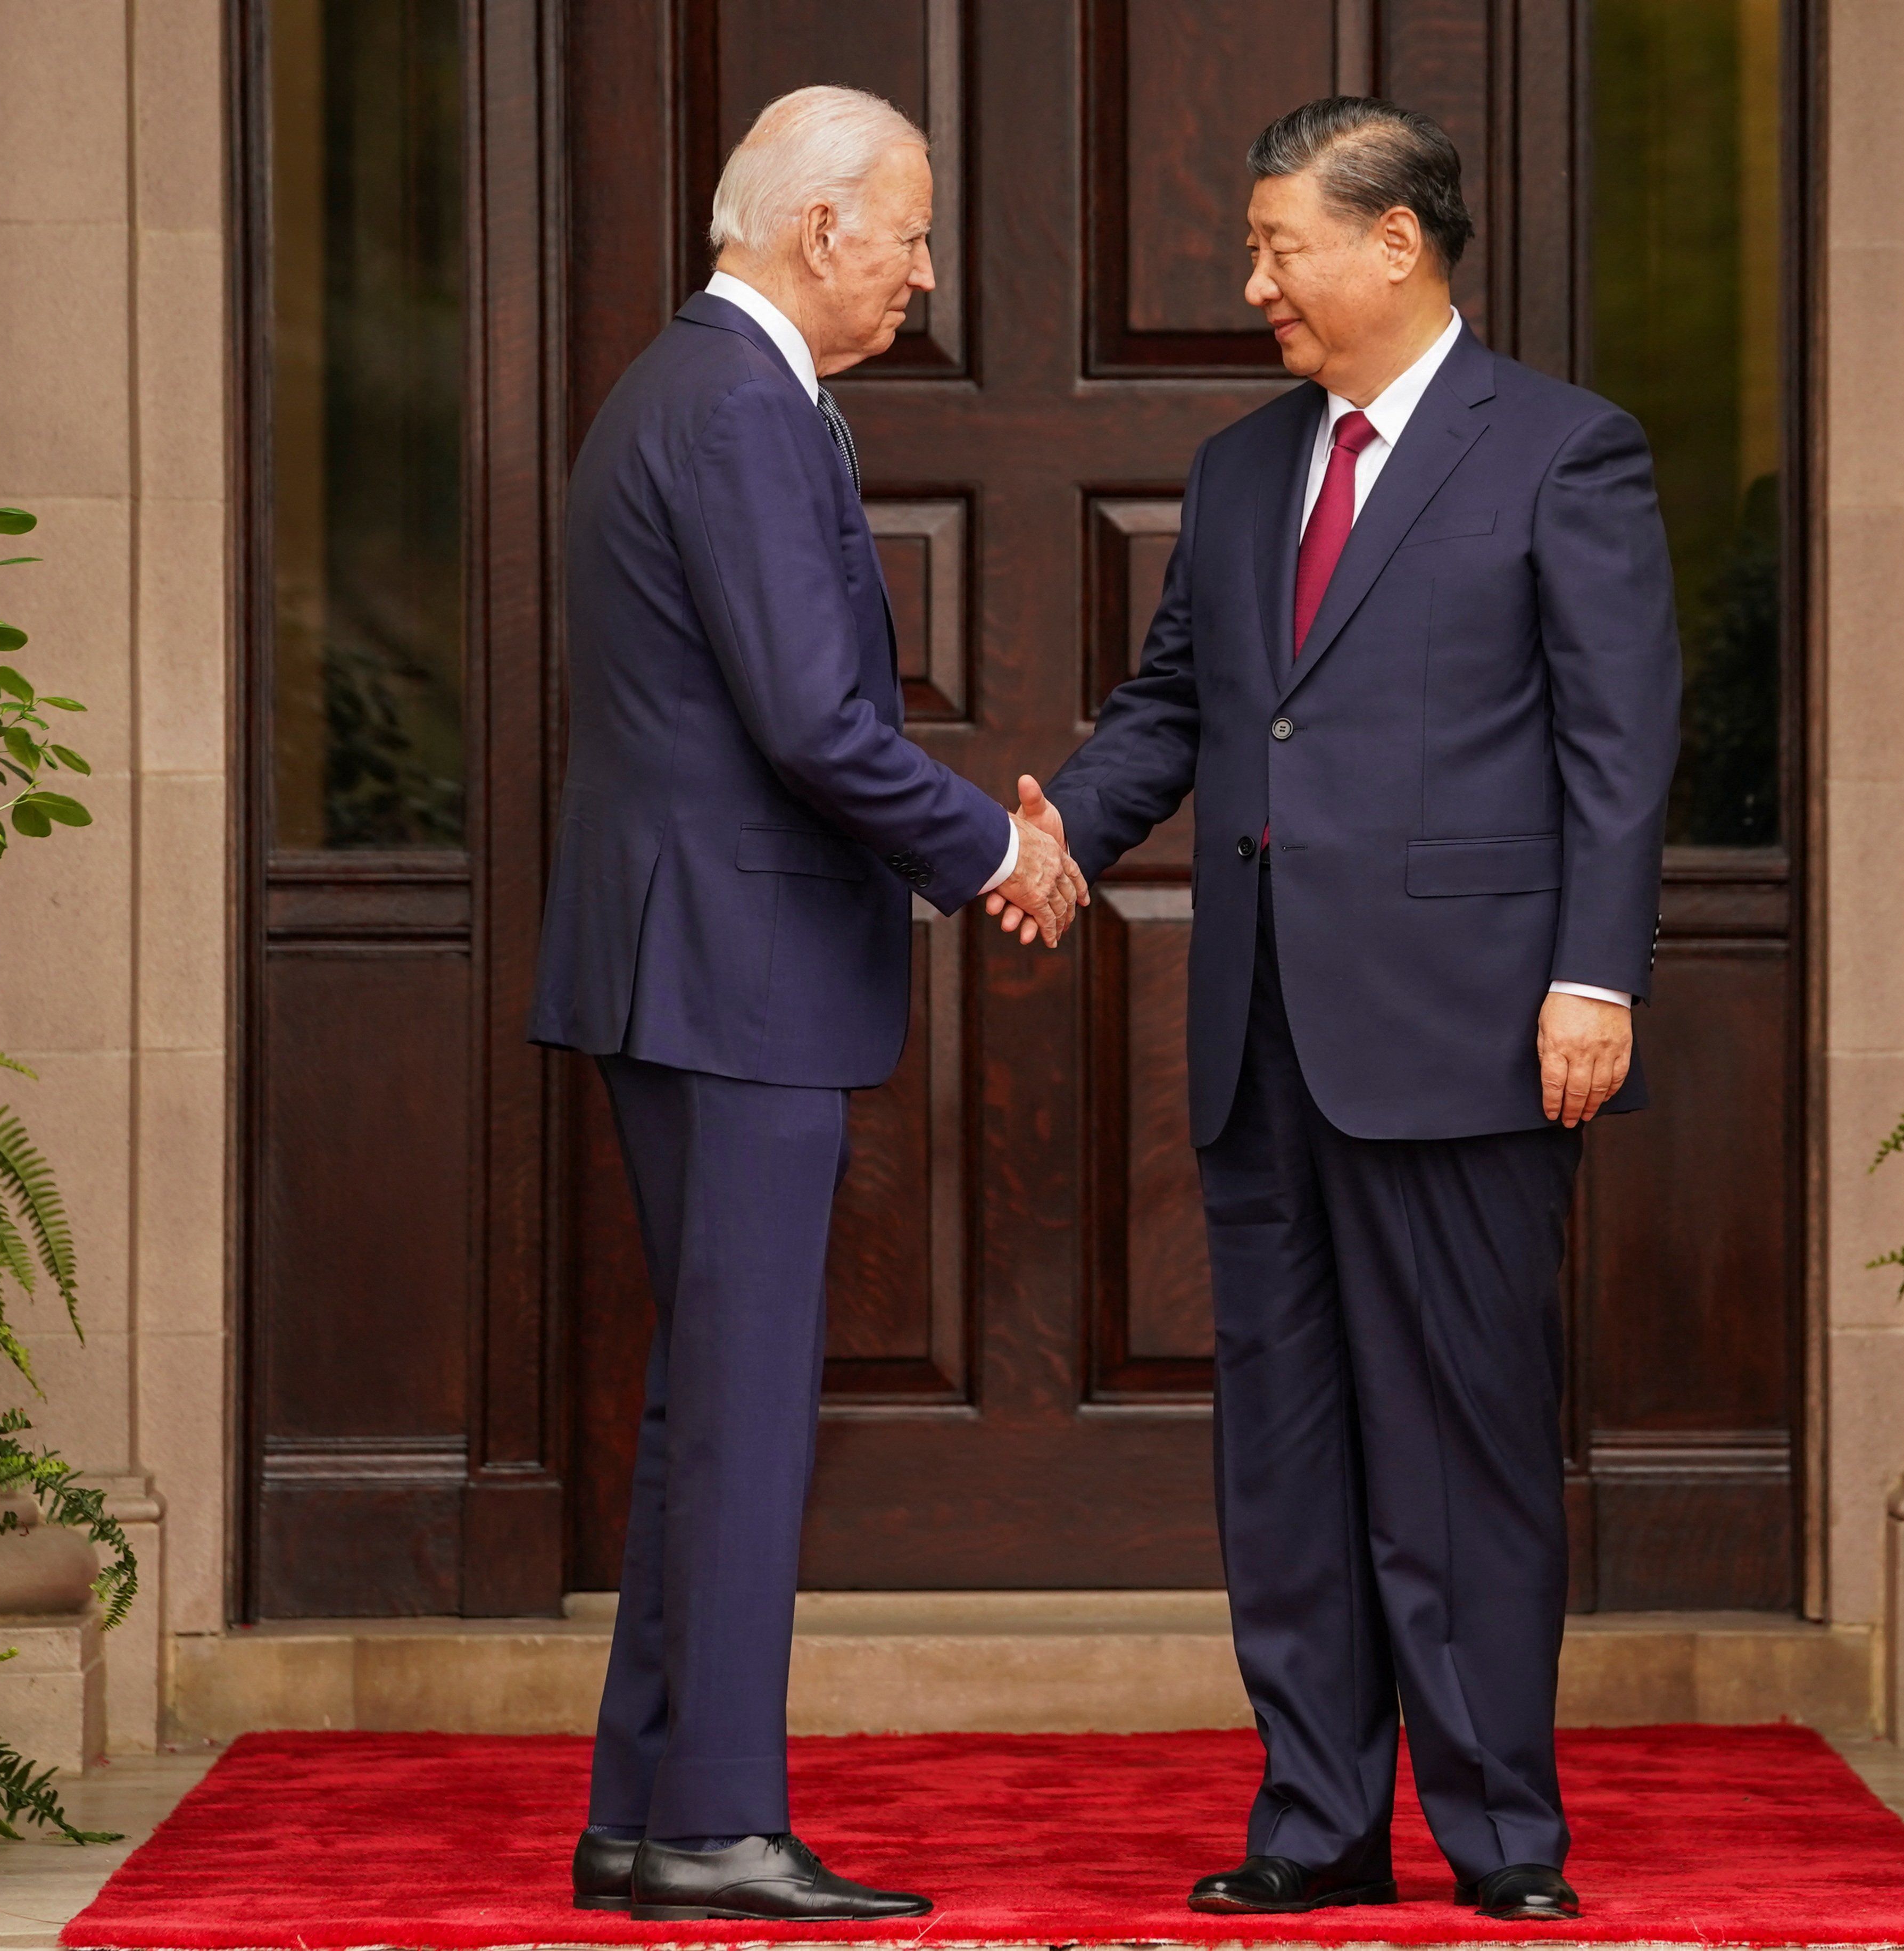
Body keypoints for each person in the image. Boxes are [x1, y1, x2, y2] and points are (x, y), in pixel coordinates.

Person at [1009, 95, 1679, 1923]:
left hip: (1472, 1031)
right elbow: (1180, 699)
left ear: (1396, 243)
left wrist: (1593, 974)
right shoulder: (1241, 469)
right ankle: (1314, 1818)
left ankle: (1501, 1836)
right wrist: (1057, 837)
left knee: (1461, 1445)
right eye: (1252, 251)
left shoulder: (1562, 451)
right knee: (1287, 1448)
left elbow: (1618, 745)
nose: (1254, 286)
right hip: (1262, 1036)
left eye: (1277, 248)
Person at [529, 84, 1081, 1924]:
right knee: (746, 1406)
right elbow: (813, 723)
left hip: (690, 962)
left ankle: (645, 1813)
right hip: (733, 972)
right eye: (910, 234)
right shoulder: (742, 405)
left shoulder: (685, 387)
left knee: (711, 1397)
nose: (924, 273)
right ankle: (715, 1822)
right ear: (820, 226)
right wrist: (995, 852)